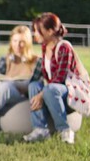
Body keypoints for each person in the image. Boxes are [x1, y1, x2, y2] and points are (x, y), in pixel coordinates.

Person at [23, 12, 79, 144]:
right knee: (34, 85)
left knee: (50, 89)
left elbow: (60, 78)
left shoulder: (64, 47)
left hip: (68, 91)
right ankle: (40, 129)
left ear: (49, 31)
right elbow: (41, 75)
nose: (35, 34)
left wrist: (41, 95)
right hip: (52, 89)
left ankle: (65, 130)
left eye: (38, 31)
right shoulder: (44, 47)